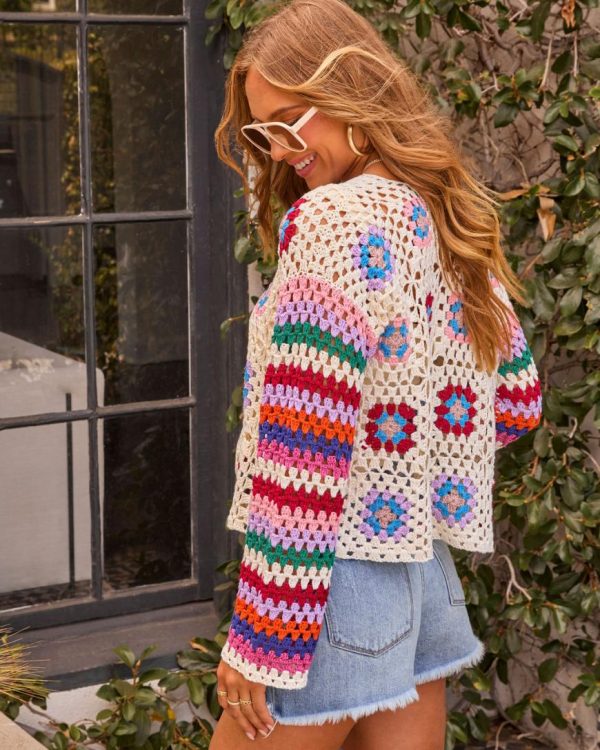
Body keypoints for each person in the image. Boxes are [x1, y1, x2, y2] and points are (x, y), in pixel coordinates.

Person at [209, 1, 542, 748]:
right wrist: (404, 459)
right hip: (419, 574)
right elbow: (516, 401)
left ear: (351, 90)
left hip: (325, 589)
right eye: (263, 133)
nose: (280, 150)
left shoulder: (333, 222)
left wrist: (261, 638)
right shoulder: (437, 213)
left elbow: (305, 450)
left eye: (290, 121)